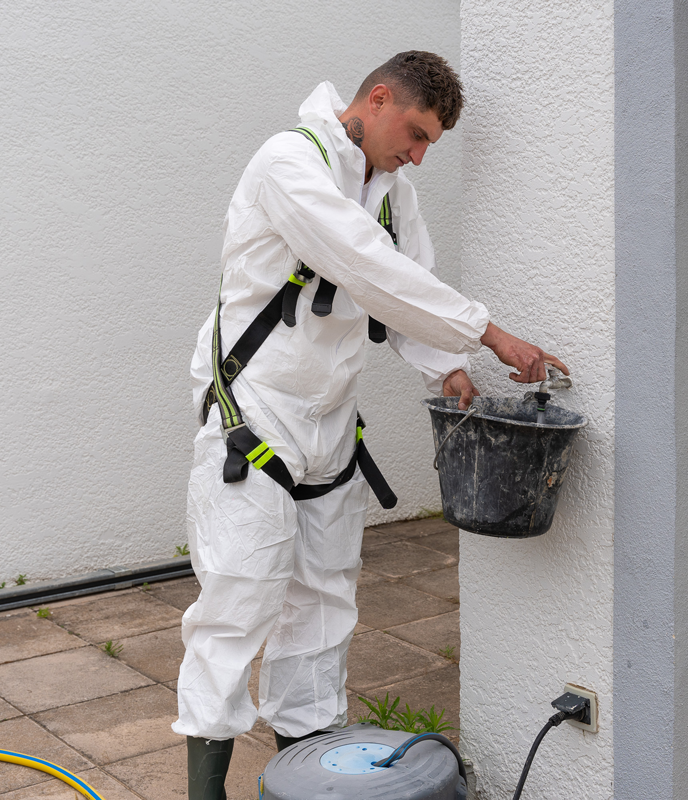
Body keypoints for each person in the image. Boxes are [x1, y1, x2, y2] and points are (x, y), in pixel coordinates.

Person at [173, 51, 569, 799]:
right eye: (415, 134)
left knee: (323, 610)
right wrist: (488, 335)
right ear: (378, 99)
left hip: (329, 428)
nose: (416, 155)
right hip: (252, 418)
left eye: (428, 146)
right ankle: (205, 791)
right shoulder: (287, 162)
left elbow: (408, 285)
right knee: (238, 607)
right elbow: (363, 266)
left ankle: (308, 777)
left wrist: (444, 367)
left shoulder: (393, 194)